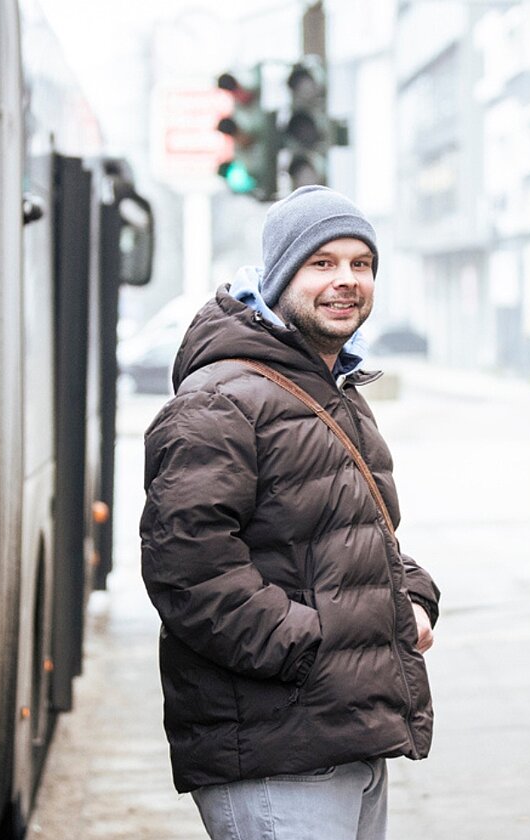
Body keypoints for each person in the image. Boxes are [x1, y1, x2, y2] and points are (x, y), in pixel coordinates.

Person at [140, 186, 440, 839]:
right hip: (275, 750)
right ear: (280, 276)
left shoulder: (333, 390)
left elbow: (358, 535)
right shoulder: (222, 399)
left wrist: (413, 596)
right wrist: (309, 647)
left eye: (361, 264)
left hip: (341, 734)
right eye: (322, 263)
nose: (346, 281)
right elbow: (186, 568)